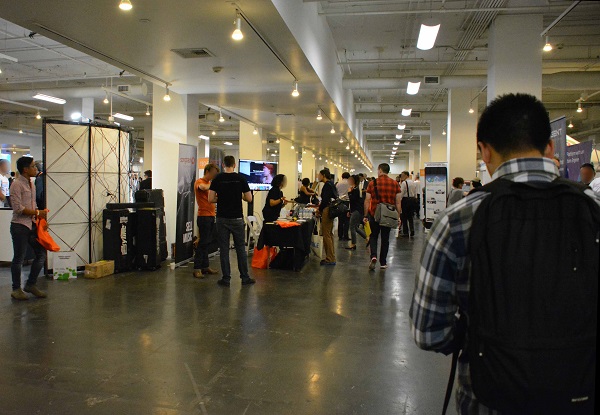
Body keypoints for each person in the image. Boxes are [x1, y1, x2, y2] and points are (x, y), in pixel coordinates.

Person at [410, 93, 599, 415]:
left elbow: (428, 331)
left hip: (489, 393)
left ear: (484, 150)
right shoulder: (593, 210)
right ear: (550, 147)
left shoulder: (458, 219)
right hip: (578, 392)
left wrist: (477, 337)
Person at [208, 156, 255, 287]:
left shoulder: (217, 178)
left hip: (222, 218)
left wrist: (222, 199)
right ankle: (245, 277)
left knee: (224, 249)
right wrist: (239, 197)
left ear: (223, 165)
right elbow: (249, 198)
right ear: (234, 165)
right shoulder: (241, 178)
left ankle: (226, 278)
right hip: (237, 218)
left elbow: (210, 199)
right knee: (240, 248)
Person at [9, 156, 49, 301]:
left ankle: (30, 284)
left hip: (31, 225)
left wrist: (40, 218)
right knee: (19, 258)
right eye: (33, 166)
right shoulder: (16, 185)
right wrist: (38, 213)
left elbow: (33, 205)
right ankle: (16, 289)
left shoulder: (31, 184)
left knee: (41, 254)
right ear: (25, 169)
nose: (35, 169)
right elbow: (18, 208)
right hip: (19, 226)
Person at [363, 163, 401, 270]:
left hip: (374, 214)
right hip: (388, 216)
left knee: (373, 236)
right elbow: (398, 202)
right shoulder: (395, 184)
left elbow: (367, 200)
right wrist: (398, 216)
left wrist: (365, 215)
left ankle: (373, 256)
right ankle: (383, 262)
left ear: (380, 170)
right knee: (385, 238)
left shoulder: (372, 183)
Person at [193, 163, 220, 279]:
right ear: (208, 171)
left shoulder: (210, 184)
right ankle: (197, 268)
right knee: (203, 243)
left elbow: (214, 198)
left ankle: (205, 266)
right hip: (203, 217)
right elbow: (202, 188)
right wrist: (215, 185)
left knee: (207, 242)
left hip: (210, 216)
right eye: (213, 173)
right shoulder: (200, 182)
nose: (214, 175)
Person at [316, 169, 337, 265]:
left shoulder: (327, 186)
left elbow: (325, 201)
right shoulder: (331, 184)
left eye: (319, 175)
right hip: (331, 211)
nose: (318, 176)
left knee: (326, 235)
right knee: (329, 234)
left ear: (323, 175)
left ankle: (330, 258)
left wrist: (319, 210)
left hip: (327, 211)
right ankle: (331, 256)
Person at [345, 174, 366, 250]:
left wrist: (349, 193)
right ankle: (367, 238)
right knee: (355, 228)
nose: (349, 181)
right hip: (354, 210)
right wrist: (349, 211)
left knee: (352, 227)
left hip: (357, 210)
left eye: (350, 180)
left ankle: (353, 244)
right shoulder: (354, 188)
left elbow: (353, 200)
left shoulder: (356, 189)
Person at [399, 171, 416, 237]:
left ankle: (405, 232)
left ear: (406, 175)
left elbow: (401, 193)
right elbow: (415, 192)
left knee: (404, 216)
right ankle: (412, 230)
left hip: (405, 200)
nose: (402, 176)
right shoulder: (412, 182)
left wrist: (399, 201)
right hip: (412, 200)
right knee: (410, 216)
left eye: (403, 175)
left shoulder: (404, 183)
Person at [336, 172, 351, 240]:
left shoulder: (338, 183)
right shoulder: (349, 184)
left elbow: (336, 193)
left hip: (340, 202)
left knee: (340, 220)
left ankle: (340, 235)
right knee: (347, 220)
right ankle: (346, 235)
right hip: (347, 202)